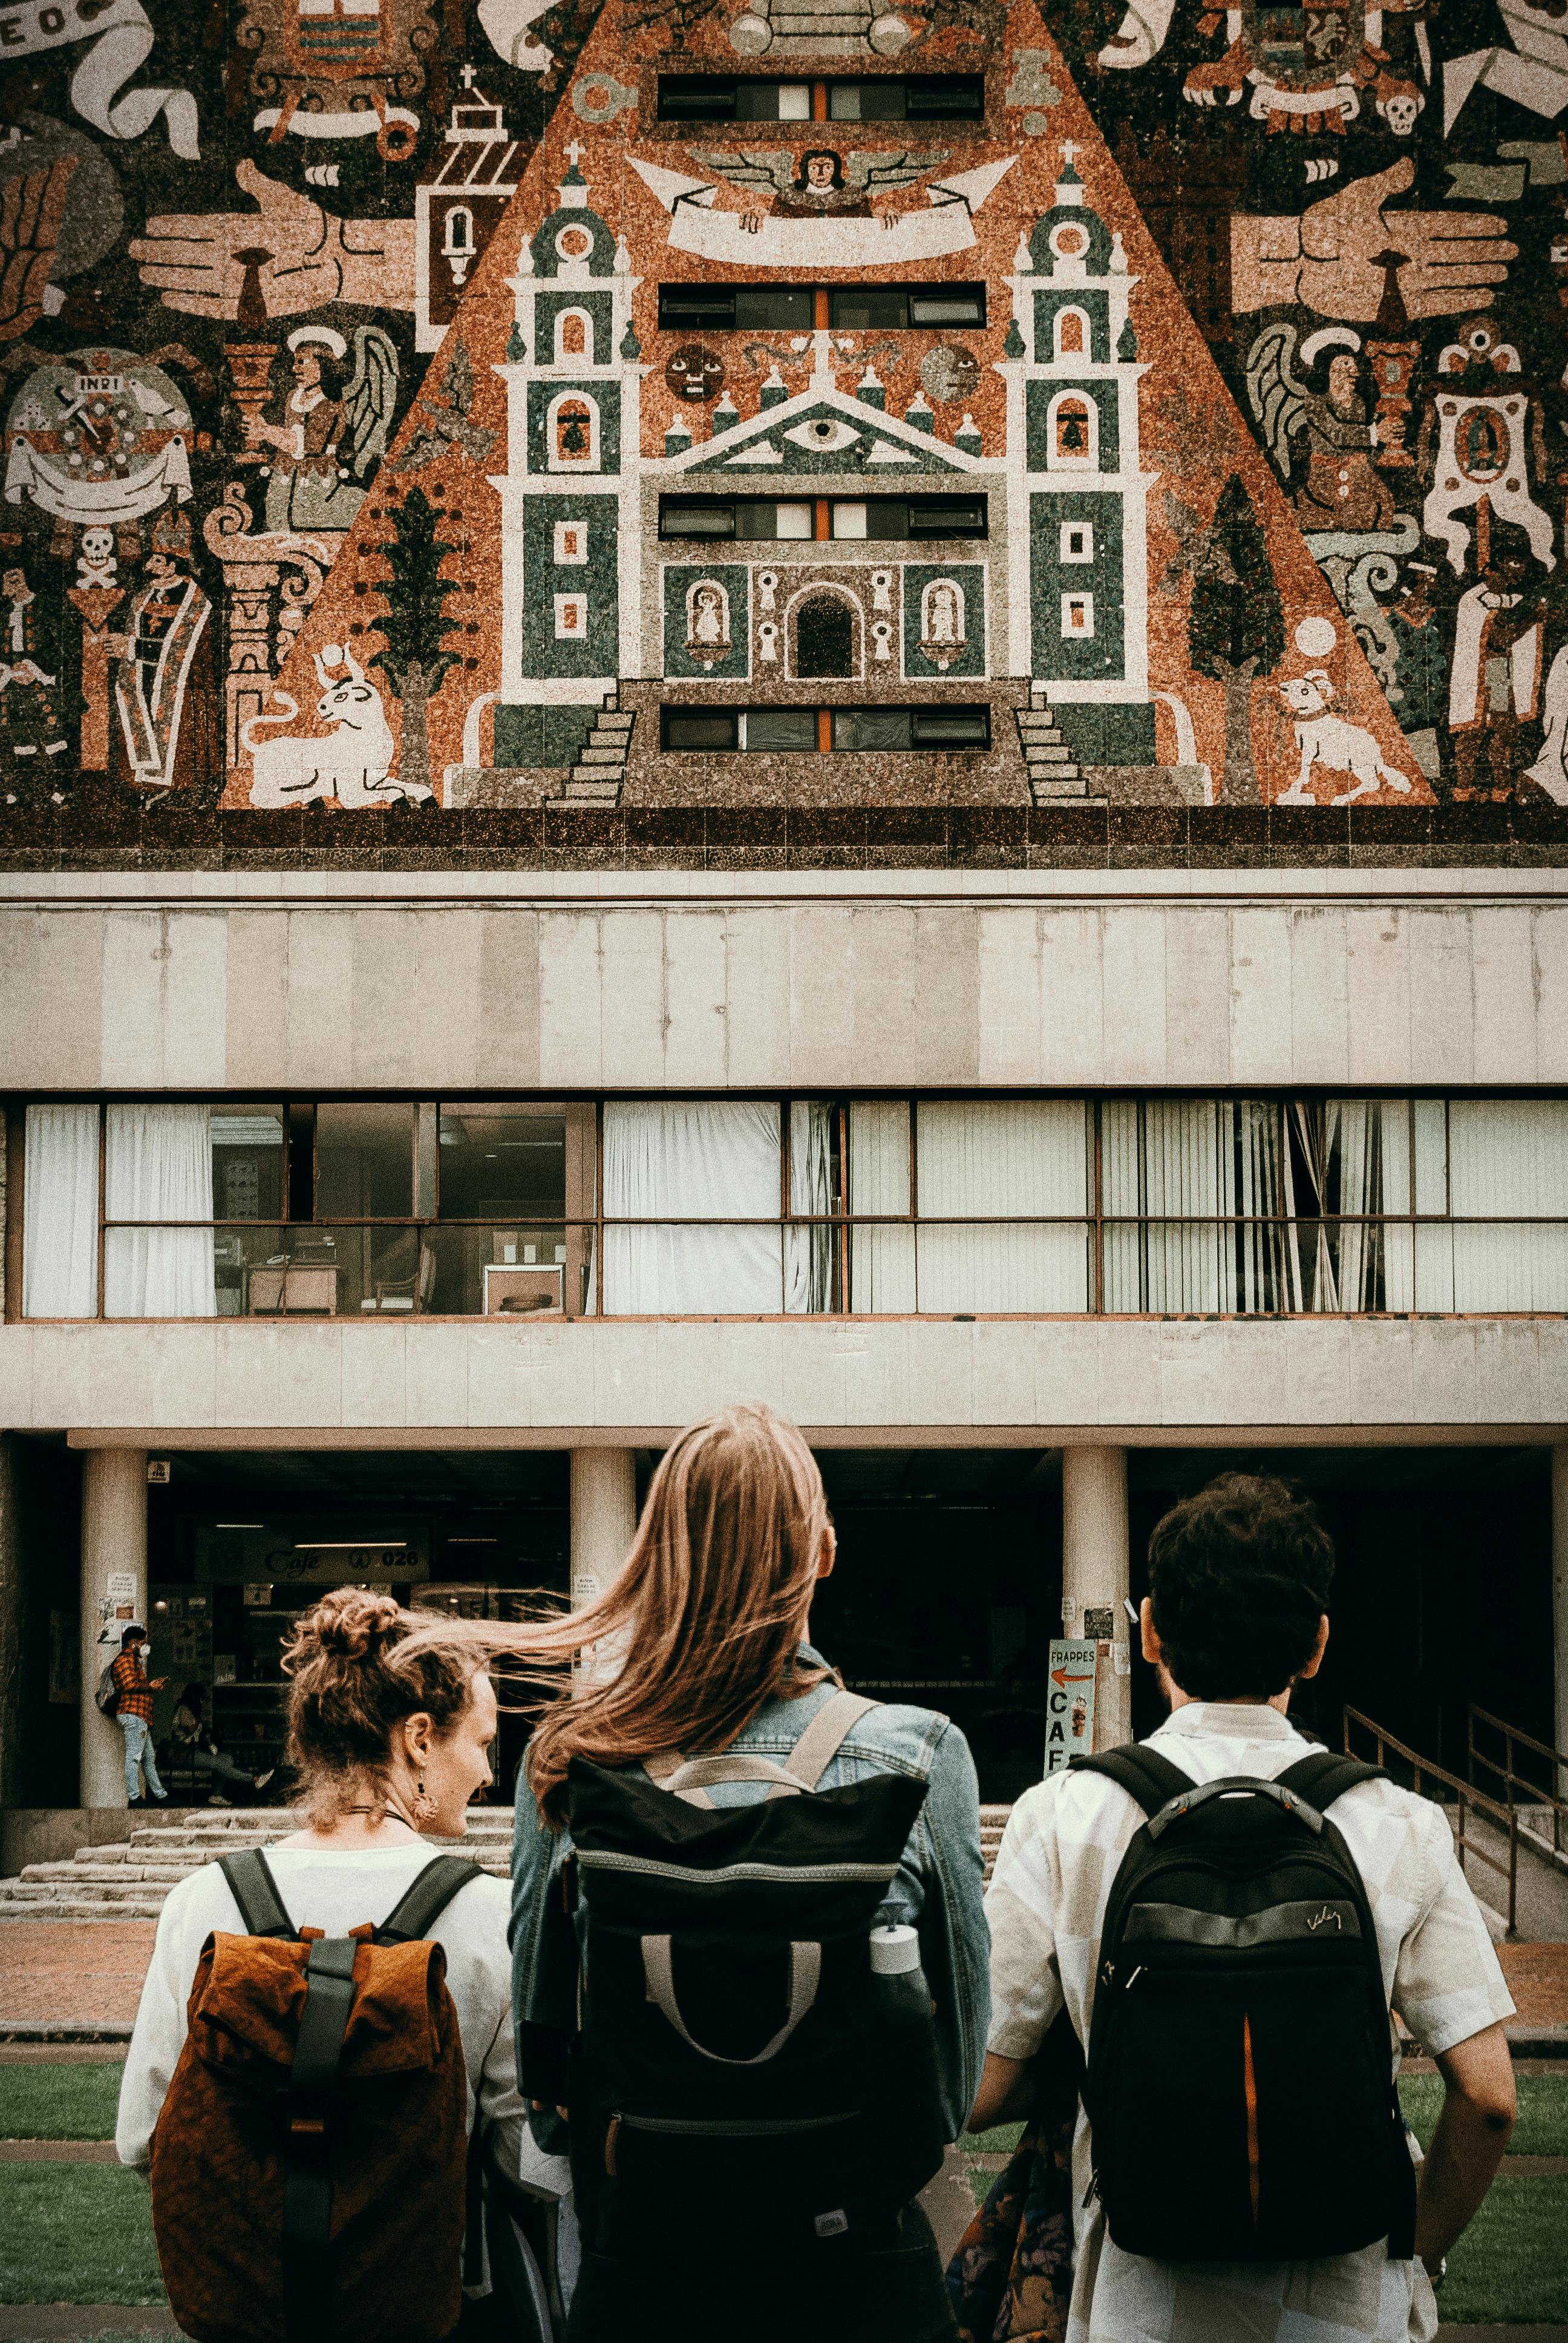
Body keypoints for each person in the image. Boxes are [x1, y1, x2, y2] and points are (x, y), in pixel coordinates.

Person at [973, 1472, 1517, 2343]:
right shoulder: (1397, 1822)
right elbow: (1489, 2097)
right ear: (1316, 1646)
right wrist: (1418, 2249)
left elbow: (979, 2080)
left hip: (1135, 2305)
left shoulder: (1064, 1817)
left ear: (1150, 1631)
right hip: (1347, 2306)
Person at [510, 1402, 991, 2343]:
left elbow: (550, 2087)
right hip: (856, 2273)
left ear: (657, 1555)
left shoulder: (571, 1761)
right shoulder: (919, 1756)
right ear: (822, 1553)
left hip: (643, 2272)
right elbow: (954, 2087)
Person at [118, 1587, 566, 2321]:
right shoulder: (486, 1913)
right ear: (419, 1738)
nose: (489, 1772)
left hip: (260, 2315)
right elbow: (529, 2156)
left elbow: (144, 2135)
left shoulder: (203, 1902)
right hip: (433, 2306)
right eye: (482, 1742)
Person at [166, 1680, 275, 1806]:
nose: (202, 1702)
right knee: (219, 1764)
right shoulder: (184, 1710)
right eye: (200, 1699)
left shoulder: (189, 1710)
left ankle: (216, 1795)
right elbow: (192, 1729)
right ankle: (255, 1779)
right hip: (185, 1754)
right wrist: (200, 1720)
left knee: (227, 1759)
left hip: (195, 1751)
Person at [111, 1625, 168, 1811]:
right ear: (133, 1643)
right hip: (133, 1714)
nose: (145, 1647)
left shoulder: (133, 1660)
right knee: (135, 1757)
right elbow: (129, 1685)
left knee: (148, 1757)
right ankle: (134, 1798)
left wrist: (153, 1686)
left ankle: (161, 1796)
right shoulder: (126, 1659)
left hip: (140, 1716)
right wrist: (150, 1686)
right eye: (143, 1643)